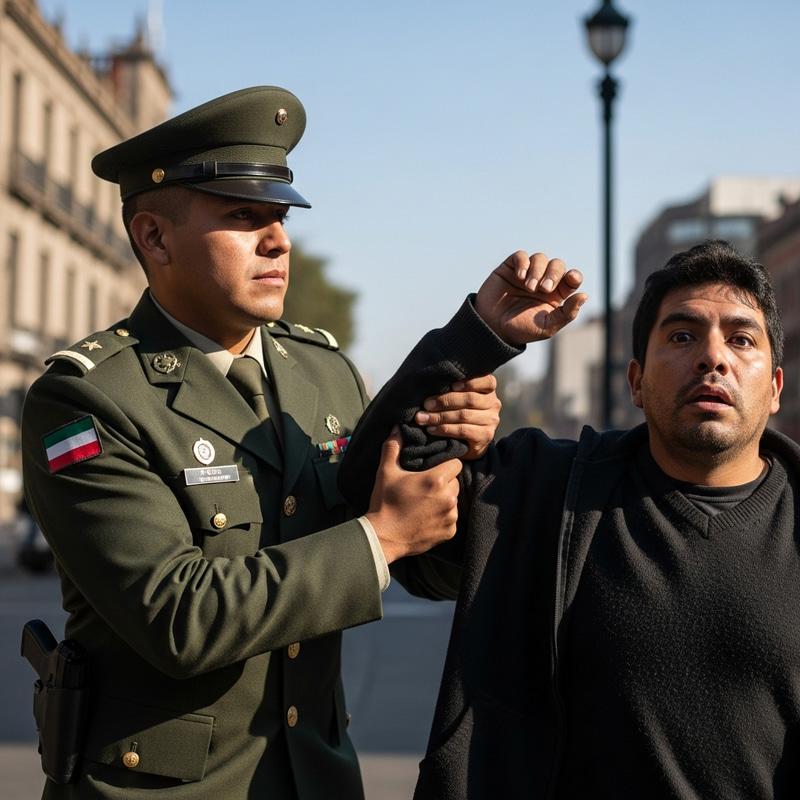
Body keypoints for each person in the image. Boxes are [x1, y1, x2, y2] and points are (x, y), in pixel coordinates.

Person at [20, 86, 501, 799]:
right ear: (154, 237)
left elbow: (428, 571)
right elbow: (177, 617)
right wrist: (381, 536)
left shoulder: (326, 373)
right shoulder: (87, 398)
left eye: (279, 217)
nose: (278, 239)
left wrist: (457, 464)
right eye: (244, 217)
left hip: (319, 779)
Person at [338, 240, 800, 799]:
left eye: (741, 338)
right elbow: (372, 485)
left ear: (774, 387)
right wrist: (480, 335)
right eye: (681, 336)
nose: (713, 357)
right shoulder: (538, 492)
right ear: (635, 382)